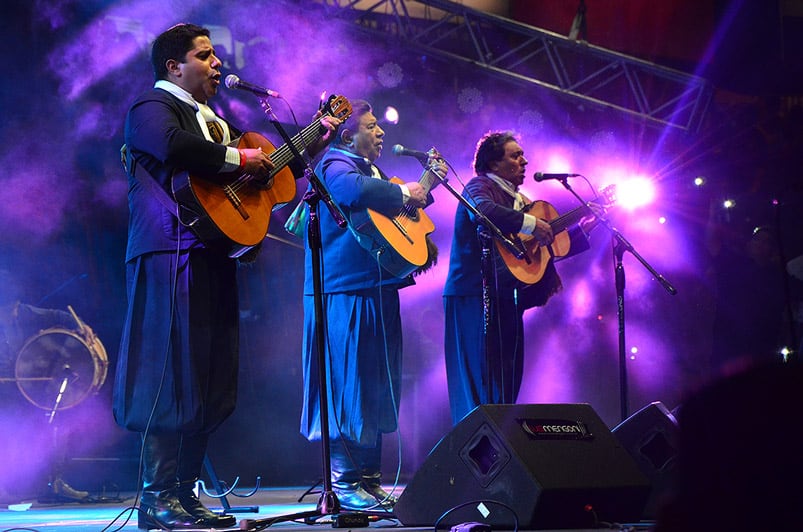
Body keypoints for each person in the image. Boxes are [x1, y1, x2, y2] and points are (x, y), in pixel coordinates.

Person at [112, 23, 339, 530]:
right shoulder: (153, 107)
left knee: (209, 378)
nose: (217, 64)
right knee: (170, 373)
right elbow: (170, 146)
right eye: (205, 56)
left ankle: (185, 494)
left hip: (211, 255)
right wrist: (241, 156)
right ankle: (156, 498)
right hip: (167, 253)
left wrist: (315, 144)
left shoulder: (212, 121)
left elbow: (267, 175)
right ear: (174, 67)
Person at [298, 99, 445, 510]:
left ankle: (369, 478)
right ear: (348, 134)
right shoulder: (334, 164)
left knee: (377, 385)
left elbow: (404, 211)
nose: (380, 132)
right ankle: (345, 482)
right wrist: (405, 189)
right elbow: (349, 191)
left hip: (376, 288)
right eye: (371, 126)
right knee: (349, 385)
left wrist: (427, 184)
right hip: (343, 291)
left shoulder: (376, 172)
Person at [442, 130, 598, 425]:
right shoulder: (480, 186)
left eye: (522, 155)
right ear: (494, 163)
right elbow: (483, 212)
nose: (524, 161)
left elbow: (539, 252)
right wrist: (531, 224)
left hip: (506, 296)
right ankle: (476, 447)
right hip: (474, 293)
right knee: (480, 378)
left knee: (506, 379)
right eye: (515, 155)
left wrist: (583, 230)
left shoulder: (522, 200)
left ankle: (498, 447)